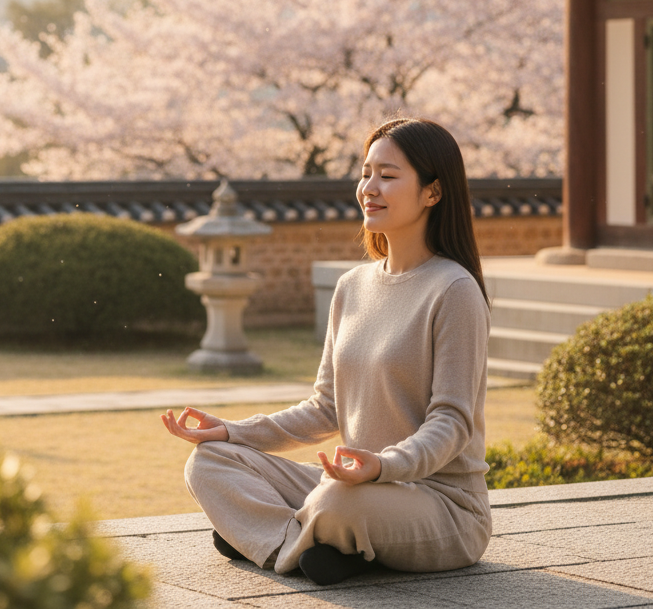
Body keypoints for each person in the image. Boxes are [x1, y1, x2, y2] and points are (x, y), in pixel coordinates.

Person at [161, 117, 492, 586]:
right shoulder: (351, 287)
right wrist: (233, 432)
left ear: (433, 193)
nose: (369, 188)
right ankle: (305, 544)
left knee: (336, 502)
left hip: (438, 505)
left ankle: (271, 539)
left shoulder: (454, 290)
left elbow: (452, 422)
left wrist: (383, 466)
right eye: (365, 172)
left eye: (388, 176)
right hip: (353, 484)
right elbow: (326, 407)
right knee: (210, 461)